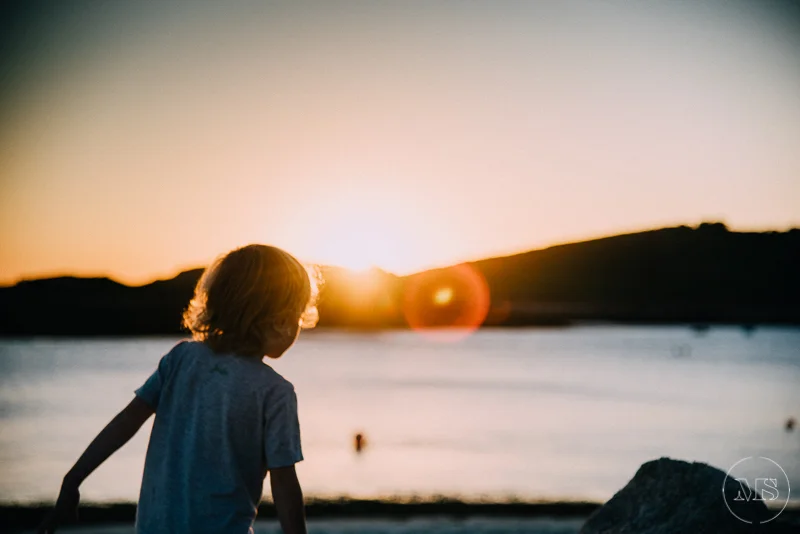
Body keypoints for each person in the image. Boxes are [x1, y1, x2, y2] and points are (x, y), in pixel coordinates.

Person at [38, 244, 319, 534]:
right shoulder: (275, 392)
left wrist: (73, 479)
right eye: (297, 316)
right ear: (279, 321)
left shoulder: (181, 359)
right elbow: (284, 483)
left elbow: (125, 422)